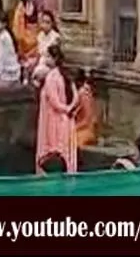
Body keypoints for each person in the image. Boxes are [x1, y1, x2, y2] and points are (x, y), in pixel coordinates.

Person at [35, 44, 79, 173]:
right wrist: (69, 109)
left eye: (48, 56)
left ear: (55, 59)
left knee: (52, 149)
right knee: (66, 151)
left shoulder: (51, 77)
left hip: (53, 120)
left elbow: (54, 101)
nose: (45, 59)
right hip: (67, 119)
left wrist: (64, 109)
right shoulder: (66, 74)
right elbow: (75, 96)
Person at [31, 10, 61, 85]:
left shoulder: (55, 37)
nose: (45, 25)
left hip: (50, 64)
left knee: (38, 73)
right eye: (43, 22)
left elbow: (56, 57)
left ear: (52, 23)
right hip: (41, 61)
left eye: (48, 22)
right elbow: (38, 53)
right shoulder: (40, 36)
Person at [12, 0, 39, 66]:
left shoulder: (39, 5)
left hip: (35, 41)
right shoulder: (21, 7)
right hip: (23, 41)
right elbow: (17, 29)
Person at [72, 69, 97, 148]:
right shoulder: (82, 92)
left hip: (85, 130)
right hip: (81, 127)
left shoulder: (83, 94)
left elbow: (87, 119)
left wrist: (72, 129)